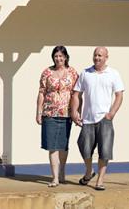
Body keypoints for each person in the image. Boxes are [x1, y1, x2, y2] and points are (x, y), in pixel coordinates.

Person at [72, 46, 125, 191]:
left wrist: (111, 113)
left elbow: (119, 95)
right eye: (95, 55)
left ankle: (100, 181)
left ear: (106, 57)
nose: (97, 58)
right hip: (88, 119)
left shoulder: (113, 74)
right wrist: (74, 112)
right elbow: (77, 94)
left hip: (104, 119)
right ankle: (89, 172)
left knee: (105, 151)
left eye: (100, 55)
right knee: (84, 147)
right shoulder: (85, 73)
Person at [37, 45, 79, 187]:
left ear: (65, 57)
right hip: (49, 112)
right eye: (56, 56)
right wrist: (39, 112)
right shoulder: (47, 72)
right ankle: (54, 177)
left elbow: (77, 94)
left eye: (61, 56)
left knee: (63, 145)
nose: (58, 58)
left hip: (66, 113)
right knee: (52, 146)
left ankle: (62, 172)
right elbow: (42, 92)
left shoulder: (72, 72)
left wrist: (77, 111)